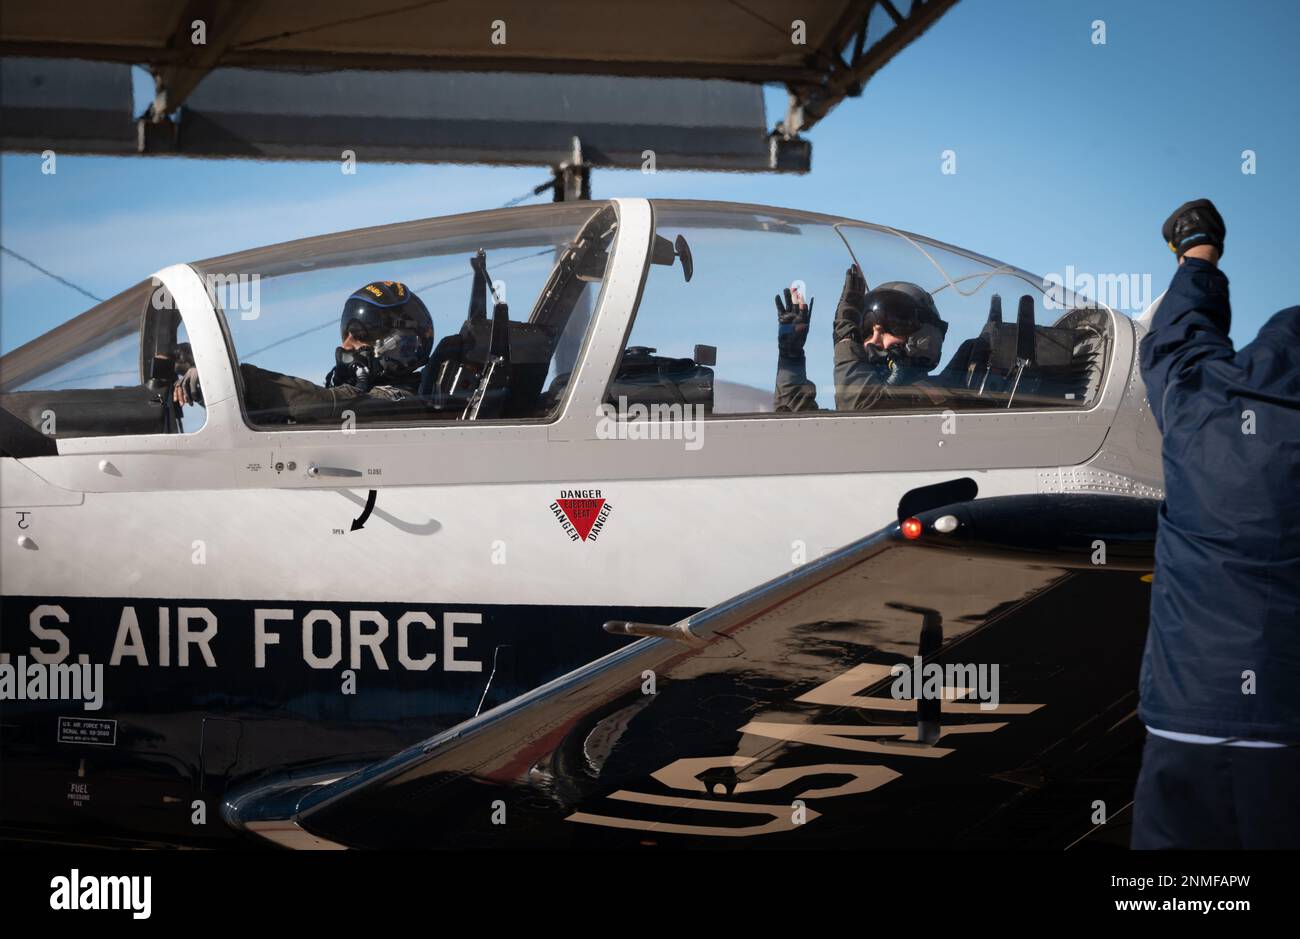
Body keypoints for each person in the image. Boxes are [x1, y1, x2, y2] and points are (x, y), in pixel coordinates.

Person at [1132, 198, 1300, 849]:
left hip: (1184, 723)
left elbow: (1179, 332)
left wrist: (1198, 250)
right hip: (1284, 732)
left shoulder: (1196, 398)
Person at [175, 280, 452, 424]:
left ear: (400, 343)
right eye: (346, 333)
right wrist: (209, 386)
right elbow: (287, 419)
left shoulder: (405, 401)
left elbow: (318, 404)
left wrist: (235, 378)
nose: (345, 346)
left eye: (361, 335)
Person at [773, 265, 948, 412]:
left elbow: (861, 409)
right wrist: (791, 358)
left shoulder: (937, 401)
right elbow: (794, 423)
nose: (873, 341)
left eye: (889, 329)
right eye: (866, 333)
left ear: (924, 339)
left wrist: (846, 334)